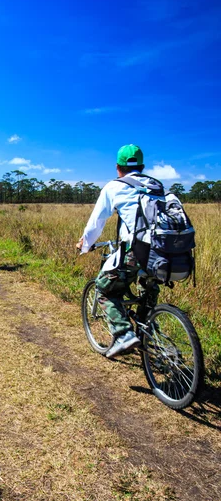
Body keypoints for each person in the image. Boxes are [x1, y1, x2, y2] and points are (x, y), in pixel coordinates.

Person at [76, 144, 160, 359]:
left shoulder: (115, 186)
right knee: (147, 290)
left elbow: (97, 221)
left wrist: (84, 245)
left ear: (118, 167)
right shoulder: (157, 186)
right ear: (142, 166)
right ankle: (149, 334)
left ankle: (123, 334)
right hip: (164, 252)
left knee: (104, 290)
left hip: (138, 250)